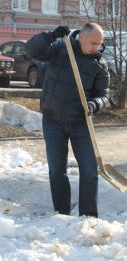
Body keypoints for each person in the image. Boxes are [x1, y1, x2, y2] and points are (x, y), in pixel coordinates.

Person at [26, 23, 110, 217]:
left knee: (89, 170)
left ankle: (88, 216)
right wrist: (50, 36)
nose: (96, 47)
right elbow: (32, 50)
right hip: (53, 120)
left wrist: (94, 105)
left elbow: (103, 95)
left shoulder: (99, 64)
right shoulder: (60, 48)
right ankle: (61, 214)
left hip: (81, 123)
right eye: (92, 43)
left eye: (99, 44)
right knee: (57, 171)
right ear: (81, 37)